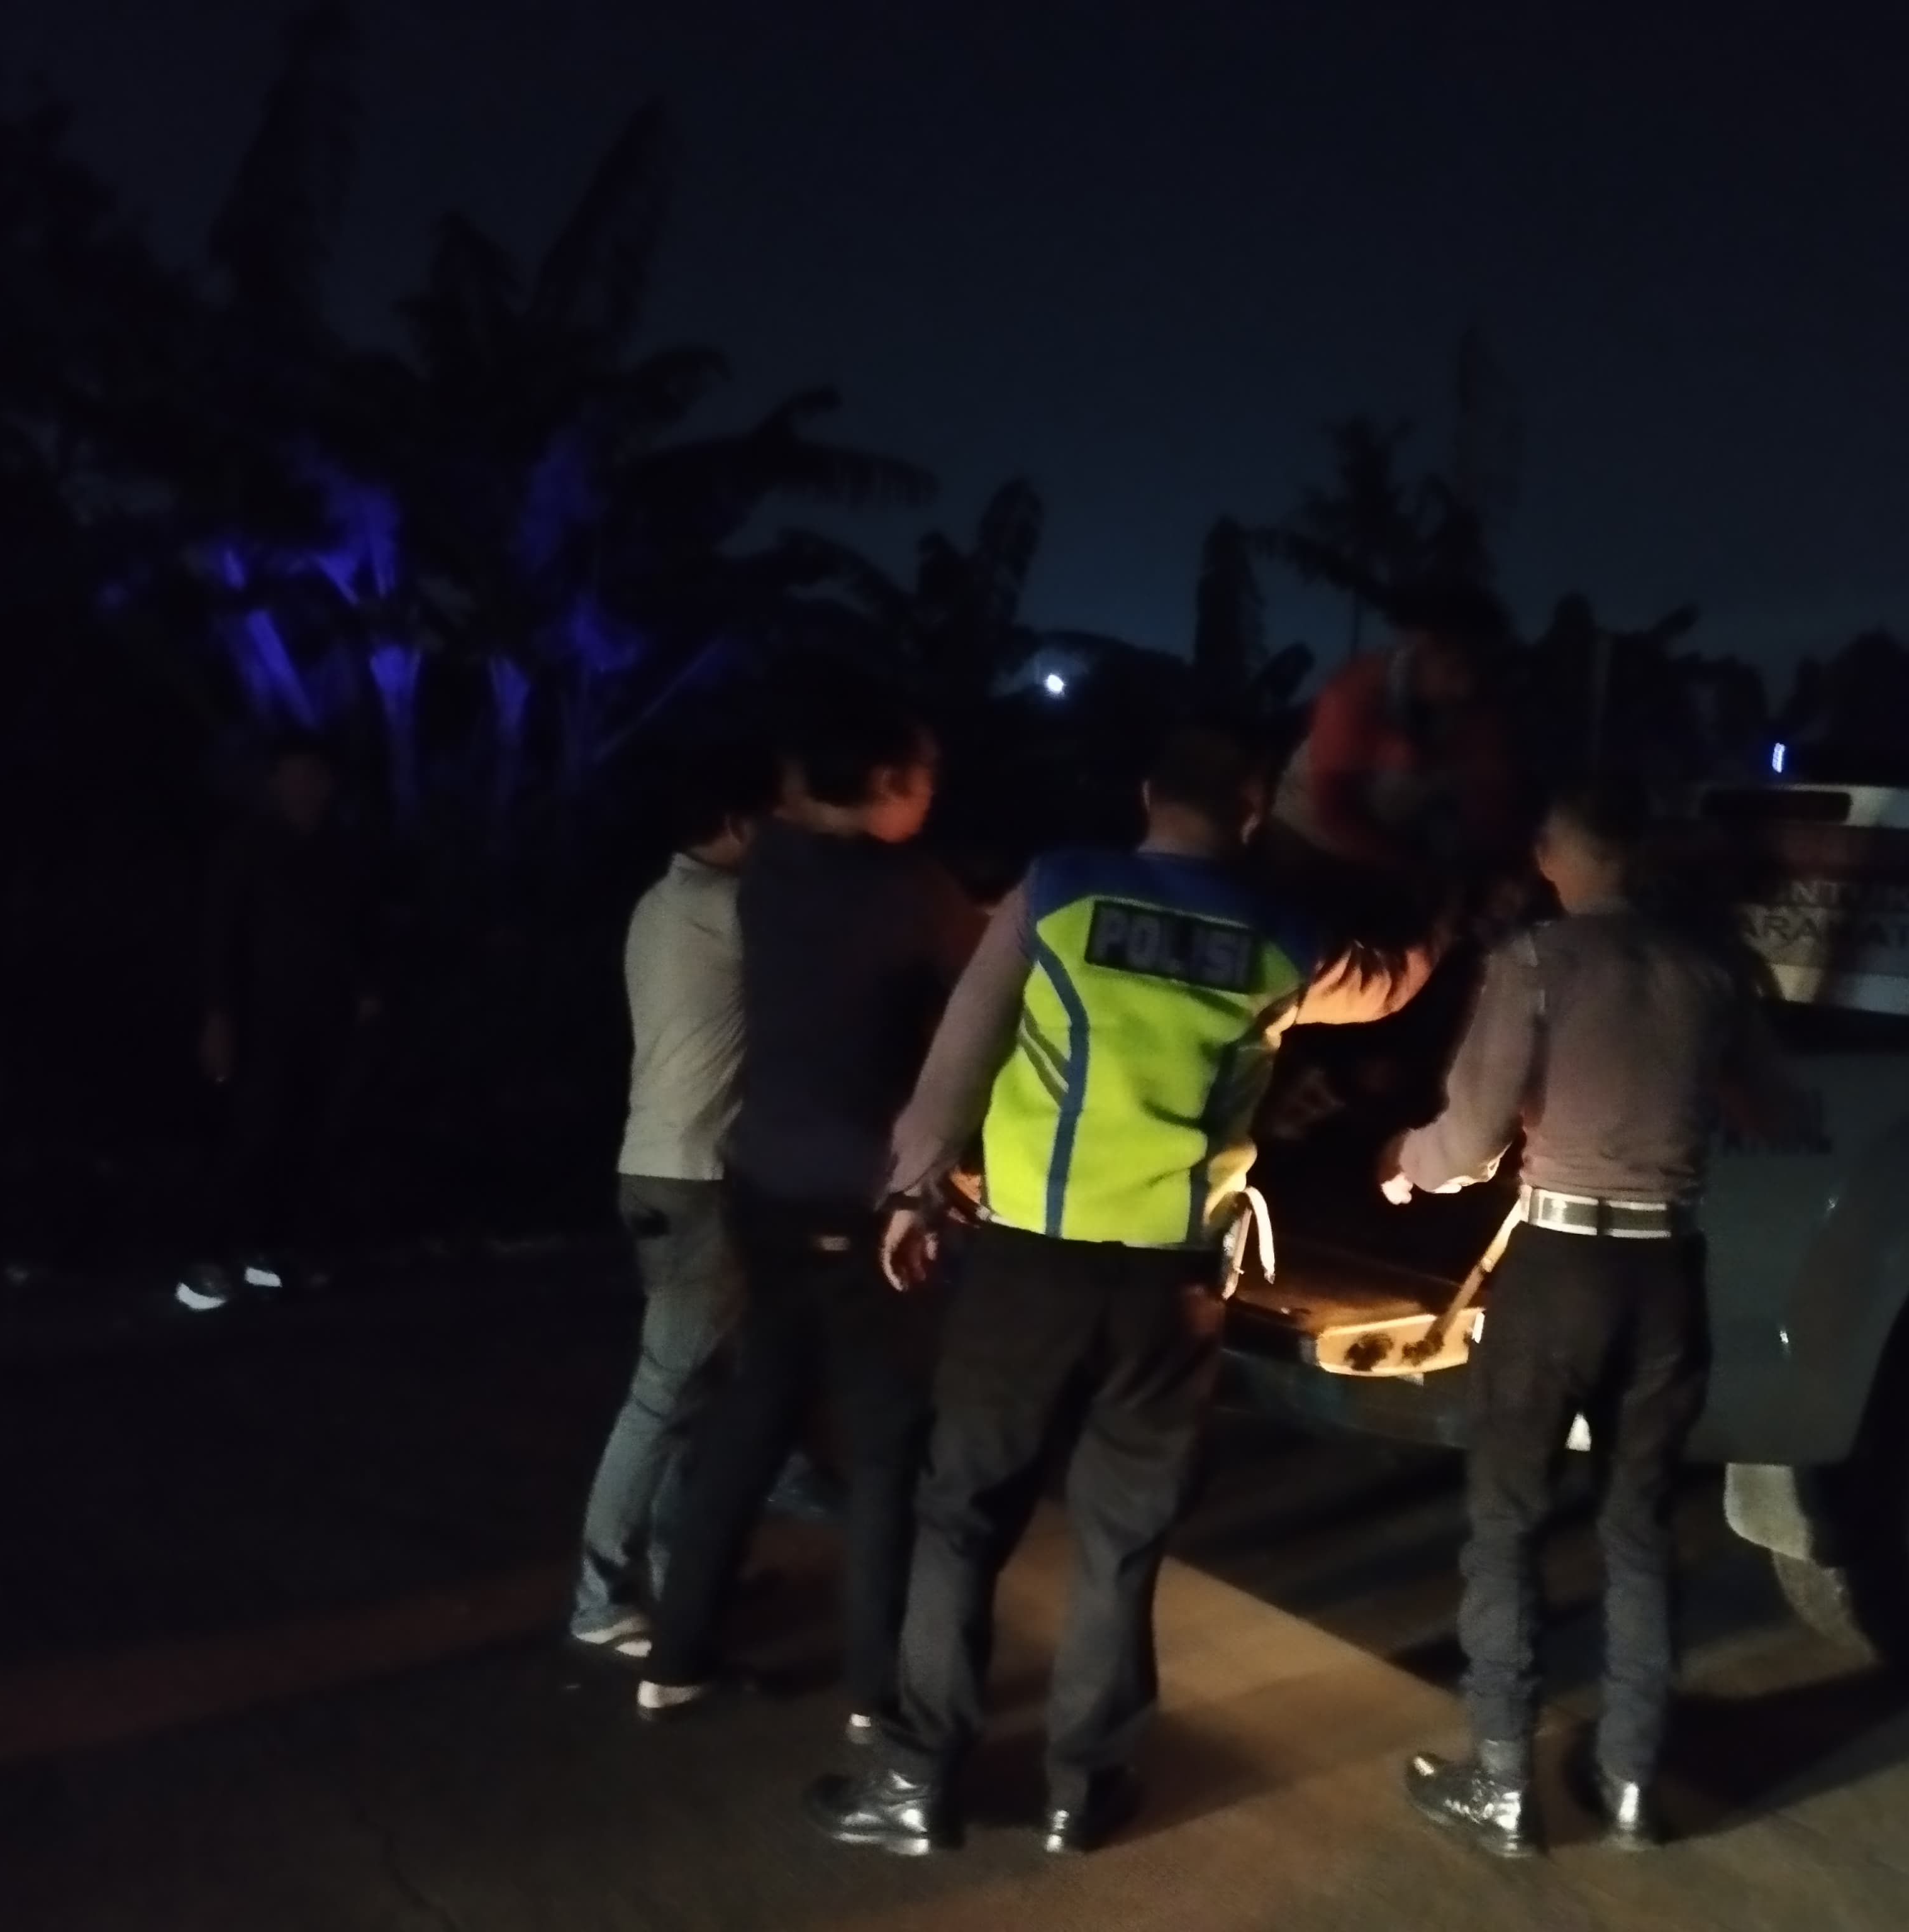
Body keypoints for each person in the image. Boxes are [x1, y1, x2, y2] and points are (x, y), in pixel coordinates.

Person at [803, 725, 1434, 1860]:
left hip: (1028, 1266)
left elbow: (961, 1054)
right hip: (1171, 1286)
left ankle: (915, 1781)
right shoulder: (1280, 932)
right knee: (1120, 1537)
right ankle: (1081, 1793)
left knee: (962, 1518)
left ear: (1148, 794)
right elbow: (1389, 987)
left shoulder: (1058, 890)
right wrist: (1444, 907)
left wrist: (912, 1193)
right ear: (1252, 813)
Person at [1378, 772, 1795, 1857]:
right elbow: (1778, 1110)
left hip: (1561, 1265)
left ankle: (1503, 1784)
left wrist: (1409, 1165)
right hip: (1668, 1271)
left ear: (1559, 854)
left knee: (1508, 1521)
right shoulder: (1714, 969)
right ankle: (1633, 1786)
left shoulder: (1536, 961)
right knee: (1638, 1526)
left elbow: (1470, 1137)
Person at [638, 668, 983, 1734]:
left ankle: (676, 1654)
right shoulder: (915, 890)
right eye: (926, 776)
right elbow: (982, 1002)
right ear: (885, 781)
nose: (934, 792)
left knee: (759, 1406)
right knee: (886, 1443)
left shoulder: (773, 864)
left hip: (764, 1182)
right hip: (865, 1194)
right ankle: (877, 1694)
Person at [567, 733, 782, 1661]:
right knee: (664, 1394)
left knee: (693, 1387)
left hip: (652, 1161)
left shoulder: (659, 904)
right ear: (739, 824)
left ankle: (680, 1571)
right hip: (697, 1175)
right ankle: (601, 1598)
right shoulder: (730, 910)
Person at [181, 733, 377, 1309]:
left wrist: (367, 991)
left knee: (310, 1134)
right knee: (251, 1134)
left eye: (312, 775)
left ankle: (270, 1252)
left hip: (325, 1017)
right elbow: (218, 932)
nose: (303, 787)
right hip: (259, 1017)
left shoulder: (340, 848)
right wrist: (217, 1014)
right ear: (274, 783)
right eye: (292, 775)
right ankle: (208, 1257)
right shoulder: (247, 846)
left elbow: (360, 927)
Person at [1264, 582, 1524, 945]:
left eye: (1477, 671)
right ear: (1423, 649)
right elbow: (1335, 813)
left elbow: (1490, 809)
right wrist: (1419, 871)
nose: (1465, 687)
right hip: (1306, 842)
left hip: (1398, 848)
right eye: (1454, 670)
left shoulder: (1479, 710)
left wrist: (1488, 876)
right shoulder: (1355, 694)